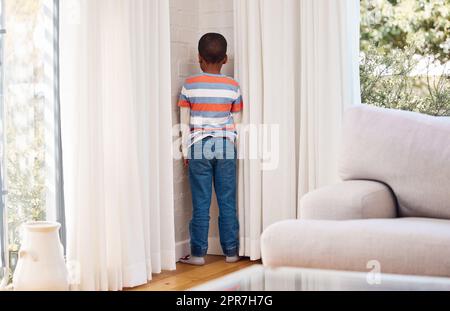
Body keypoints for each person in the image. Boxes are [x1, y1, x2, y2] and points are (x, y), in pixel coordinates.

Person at [178, 33, 243, 266]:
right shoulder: (233, 86)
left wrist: (186, 152)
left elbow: (184, 123)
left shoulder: (190, 85)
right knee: (227, 201)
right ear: (225, 59)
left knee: (201, 202)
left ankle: (197, 254)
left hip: (198, 147)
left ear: (199, 58)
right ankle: (231, 252)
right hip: (225, 146)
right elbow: (238, 121)